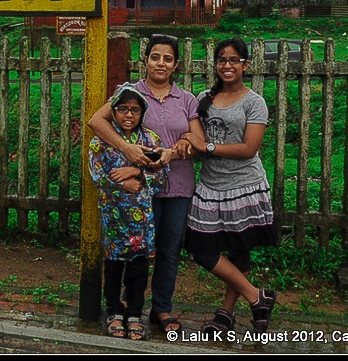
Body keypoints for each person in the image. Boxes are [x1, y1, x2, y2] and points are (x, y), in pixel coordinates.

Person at [88, 34, 204, 333]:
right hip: (135, 192)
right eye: (155, 56)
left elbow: (198, 141)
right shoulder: (129, 93)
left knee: (168, 249)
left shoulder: (187, 99)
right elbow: (97, 123)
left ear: (176, 64)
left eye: (167, 58)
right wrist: (126, 150)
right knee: (132, 251)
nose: (161, 63)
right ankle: (127, 307)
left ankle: (162, 309)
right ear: (146, 59)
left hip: (176, 183)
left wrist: (179, 147)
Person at [180, 37, 279, 335]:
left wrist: (207, 146)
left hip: (244, 185)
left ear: (245, 65)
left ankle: (226, 313)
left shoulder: (254, 102)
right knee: (199, 248)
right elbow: (194, 138)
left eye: (234, 60)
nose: (227, 65)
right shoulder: (203, 98)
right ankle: (256, 296)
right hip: (210, 186)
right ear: (216, 64)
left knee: (239, 249)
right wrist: (187, 144)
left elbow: (249, 148)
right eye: (222, 60)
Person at [88, 83, 172, 340]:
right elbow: (97, 174)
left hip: (142, 221)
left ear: (142, 112)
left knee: (138, 268)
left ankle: (134, 314)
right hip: (114, 217)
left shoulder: (150, 140)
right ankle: (113, 312)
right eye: (122, 108)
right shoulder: (100, 142)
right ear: (113, 111)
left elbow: (162, 175)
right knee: (113, 267)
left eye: (134, 110)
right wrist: (121, 183)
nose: (128, 115)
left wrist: (137, 173)